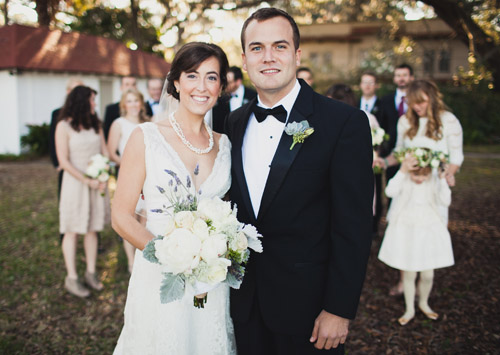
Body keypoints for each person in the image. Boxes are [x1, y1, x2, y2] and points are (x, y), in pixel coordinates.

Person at [225, 8, 373, 354]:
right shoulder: (232, 123)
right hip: (243, 304)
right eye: (257, 48)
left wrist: (339, 308)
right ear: (245, 59)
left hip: (309, 310)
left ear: (296, 54)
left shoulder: (343, 123)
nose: (269, 57)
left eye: (279, 46)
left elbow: (354, 225)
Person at [111, 42, 235, 354]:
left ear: (221, 86)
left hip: (210, 280)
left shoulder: (225, 145)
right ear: (176, 82)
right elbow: (122, 216)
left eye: (212, 77)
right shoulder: (146, 137)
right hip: (158, 276)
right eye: (192, 76)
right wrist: (172, 257)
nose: (202, 87)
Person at [381, 79, 464, 296]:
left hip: (433, 187)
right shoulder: (405, 122)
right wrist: (383, 162)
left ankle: (423, 282)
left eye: (422, 102)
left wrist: (448, 174)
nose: (417, 107)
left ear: (432, 98)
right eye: (413, 103)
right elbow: (398, 153)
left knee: (428, 232)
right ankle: (404, 280)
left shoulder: (449, 121)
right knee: (403, 231)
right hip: (408, 186)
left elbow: (455, 158)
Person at [378, 157, 454, 326]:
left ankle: (423, 303)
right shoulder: (404, 178)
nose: (420, 179)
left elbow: (445, 201)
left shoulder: (433, 181)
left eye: (424, 176)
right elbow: (389, 192)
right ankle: (409, 308)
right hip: (407, 228)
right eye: (416, 175)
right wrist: (403, 170)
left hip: (428, 228)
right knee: (409, 272)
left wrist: (442, 180)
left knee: (428, 273)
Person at [55, 85, 110, 298]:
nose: (95, 104)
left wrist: (104, 173)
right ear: (81, 101)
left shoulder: (96, 124)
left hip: (96, 183)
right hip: (75, 184)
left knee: (92, 228)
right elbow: (64, 161)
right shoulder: (64, 126)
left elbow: (104, 151)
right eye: (92, 100)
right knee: (72, 229)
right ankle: (72, 277)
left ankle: (91, 272)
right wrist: (86, 180)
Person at [107, 88, 150, 273]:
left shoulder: (148, 124)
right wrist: (128, 168)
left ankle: (143, 258)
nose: (133, 104)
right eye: (129, 101)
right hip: (128, 178)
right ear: (124, 104)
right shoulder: (118, 124)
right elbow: (111, 152)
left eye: (136, 100)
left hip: (148, 180)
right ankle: (131, 261)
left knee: (145, 220)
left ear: (141, 103)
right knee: (129, 218)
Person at [49, 78, 83, 241]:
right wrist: (58, 163)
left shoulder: (89, 114)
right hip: (66, 166)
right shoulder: (58, 114)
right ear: (68, 92)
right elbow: (52, 139)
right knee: (67, 202)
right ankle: (66, 235)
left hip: (84, 164)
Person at [358, 72, 383, 235]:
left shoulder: (383, 105)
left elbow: (383, 132)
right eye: (364, 82)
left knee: (376, 190)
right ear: (360, 85)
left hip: (375, 155)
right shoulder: (352, 104)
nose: (367, 85)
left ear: (376, 85)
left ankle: (374, 225)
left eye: (371, 82)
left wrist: (378, 154)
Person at [212, 66, 257, 133]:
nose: (225, 85)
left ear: (238, 82)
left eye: (228, 82)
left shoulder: (253, 96)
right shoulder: (220, 99)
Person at [103, 76, 137, 140]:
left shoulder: (145, 107)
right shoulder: (111, 109)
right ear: (121, 87)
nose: (130, 87)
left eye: (133, 84)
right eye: (127, 84)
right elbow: (107, 135)